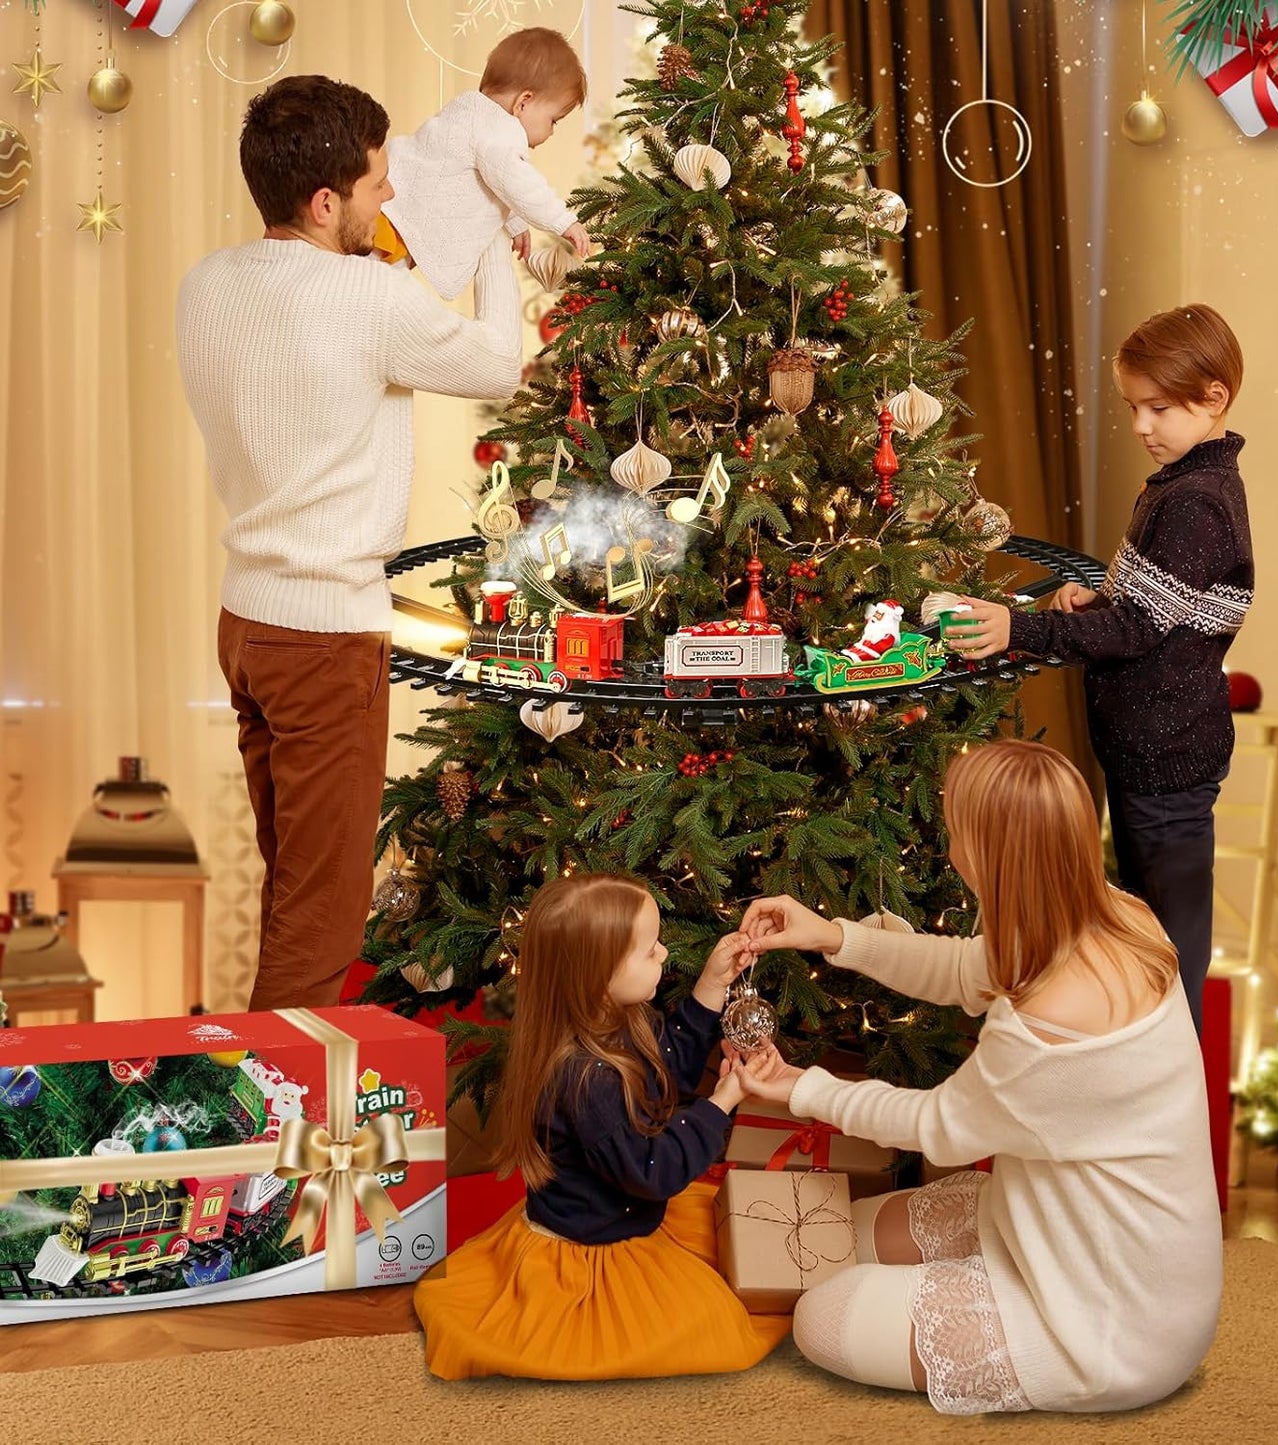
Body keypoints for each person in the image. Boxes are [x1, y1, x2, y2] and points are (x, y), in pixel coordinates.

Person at [737, 740, 1222, 1416]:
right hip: (1069, 1230)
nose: (948, 838)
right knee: (839, 1233)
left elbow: (937, 1127)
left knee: (823, 1313)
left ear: (990, 855)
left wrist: (801, 1088)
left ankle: (1018, 1323)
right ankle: (971, 1273)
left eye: (955, 826)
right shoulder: (1112, 914)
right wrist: (832, 936)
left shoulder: (1046, 1027)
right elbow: (967, 968)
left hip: (1110, 1327)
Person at [176, 76, 522, 1011]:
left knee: (291, 885)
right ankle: (274, 1105)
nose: (391, 194)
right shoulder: (366, 300)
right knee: (322, 918)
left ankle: (259, 1087)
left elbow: (320, 339)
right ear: (326, 202)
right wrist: (495, 231)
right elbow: (501, 363)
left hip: (247, 626)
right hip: (324, 640)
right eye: (377, 182)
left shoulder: (206, 284)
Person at [941, 304, 1253, 1035]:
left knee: (1168, 954)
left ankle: (1168, 1078)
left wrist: (1018, 626)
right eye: (1132, 407)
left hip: (1168, 759)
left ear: (1213, 397)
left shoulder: (1197, 502)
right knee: (1148, 939)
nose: (1141, 425)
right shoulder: (1179, 485)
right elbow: (1157, 606)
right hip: (1148, 752)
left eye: (1158, 408)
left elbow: (1141, 630)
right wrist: (1102, 598)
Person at [413, 873, 792, 1381]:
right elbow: (653, 1172)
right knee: (707, 1325)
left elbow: (668, 1069)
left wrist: (712, 985)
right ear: (598, 975)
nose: (664, 954)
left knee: (730, 1244)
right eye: (649, 950)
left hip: (631, 1210)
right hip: (593, 1250)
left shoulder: (622, 1019)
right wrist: (722, 1102)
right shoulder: (587, 1082)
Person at [375, 26, 592, 337]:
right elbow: (516, 179)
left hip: (387, 209)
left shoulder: (471, 111)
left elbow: (491, 179)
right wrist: (563, 221)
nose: (551, 132)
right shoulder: (501, 130)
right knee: (378, 298)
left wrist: (515, 223)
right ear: (523, 102)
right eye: (553, 120)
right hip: (391, 228)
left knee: (370, 289)